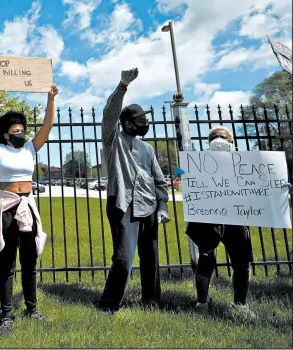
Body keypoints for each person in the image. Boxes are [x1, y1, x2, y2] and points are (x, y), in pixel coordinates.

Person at [0, 80, 59, 336]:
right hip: (7, 208)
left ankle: (32, 309)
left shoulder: (30, 149)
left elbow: (48, 125)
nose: (21, 132)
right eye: (16, 129)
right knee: (7, 262)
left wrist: (51, 98)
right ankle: (7, 314)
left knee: (30, 261)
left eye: (23, 128)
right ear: (6, 134)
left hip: (28, 207)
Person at [94, 68, 170, 314]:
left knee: (151, 258)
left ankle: (151, 301)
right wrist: (122, 86)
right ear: (126, 123)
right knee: (124, 258)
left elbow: (159, 181)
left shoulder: (147, 149)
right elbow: (109, 115)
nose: (144, 124)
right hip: (122, 204)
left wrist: (163, 206)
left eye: (145, 120)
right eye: (139, 120)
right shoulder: (113, 140)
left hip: (148, 206)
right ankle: (110, 303)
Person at [177, 126, 256, 319]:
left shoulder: (244, 162)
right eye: (214, 137)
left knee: (241, 260)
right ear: (208, 141)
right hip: (209, 218)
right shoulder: (199, 163)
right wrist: (183, 176)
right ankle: (201, 302)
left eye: (222, 137)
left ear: (230, 141)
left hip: (236, 218)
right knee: (206, 257)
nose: (218, 140)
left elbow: (257, 184)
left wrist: (276, 187)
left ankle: (240, 304)